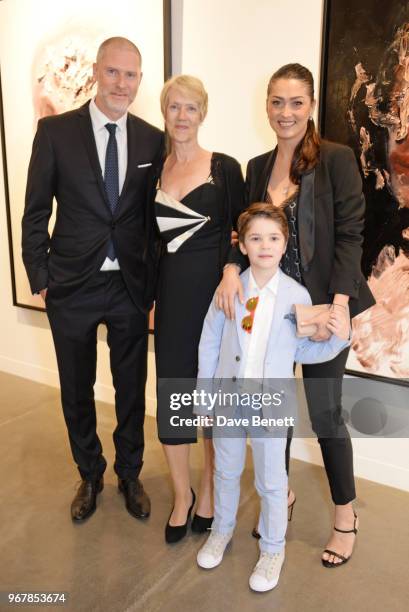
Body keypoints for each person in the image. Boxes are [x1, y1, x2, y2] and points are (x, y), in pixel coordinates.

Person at [216, 64, 375, 567]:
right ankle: (278, 498)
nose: (286, 113)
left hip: (326, 310)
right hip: (273, 312)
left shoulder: (336, 159)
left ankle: (345, 517)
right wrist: (228, 270)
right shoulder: (257, 165)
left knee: (326, 413)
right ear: (267, 105)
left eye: (296, 102)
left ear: (310, 107)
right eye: (277, 102)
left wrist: (340, 306)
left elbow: (351, 233)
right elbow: (245, 237)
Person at [22, 37, 164, 522]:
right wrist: (40, 276)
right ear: (96, 73)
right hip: (72, 286)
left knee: (130, 387)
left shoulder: (151, 139)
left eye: (131, 75)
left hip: (128, 286)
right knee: (76, 388)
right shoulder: (57, 132)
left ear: (139, 81)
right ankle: (90, 472)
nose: (122, 83)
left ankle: (129, 472)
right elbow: (35, 211)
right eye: (113, 72)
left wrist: (154, 285)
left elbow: (152, 219)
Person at [195, 203, 350, 591]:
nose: (265, 245)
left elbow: (305, 352)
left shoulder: (297, 296)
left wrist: (338, 336)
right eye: (256, 238)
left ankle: (273, 549)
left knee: (271, 479)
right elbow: (209, 342)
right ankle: (222, 530)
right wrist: (204, 396)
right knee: (226, 471)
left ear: (285, 245)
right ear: (243, 245)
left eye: (274, 238)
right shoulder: (229, 289)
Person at [152, 75, 245, 543]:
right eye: (174, 107)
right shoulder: (154, 170)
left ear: (202, 114)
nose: (182, 116)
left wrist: (232, 269)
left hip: (215, 301)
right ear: (164, 112)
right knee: (174, 396)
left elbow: (243, 229)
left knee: (210, 401)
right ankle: (182, 496)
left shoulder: (224, 168)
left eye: (191, 108)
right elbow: (145, 243)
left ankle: (208, 492)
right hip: (170, 298)